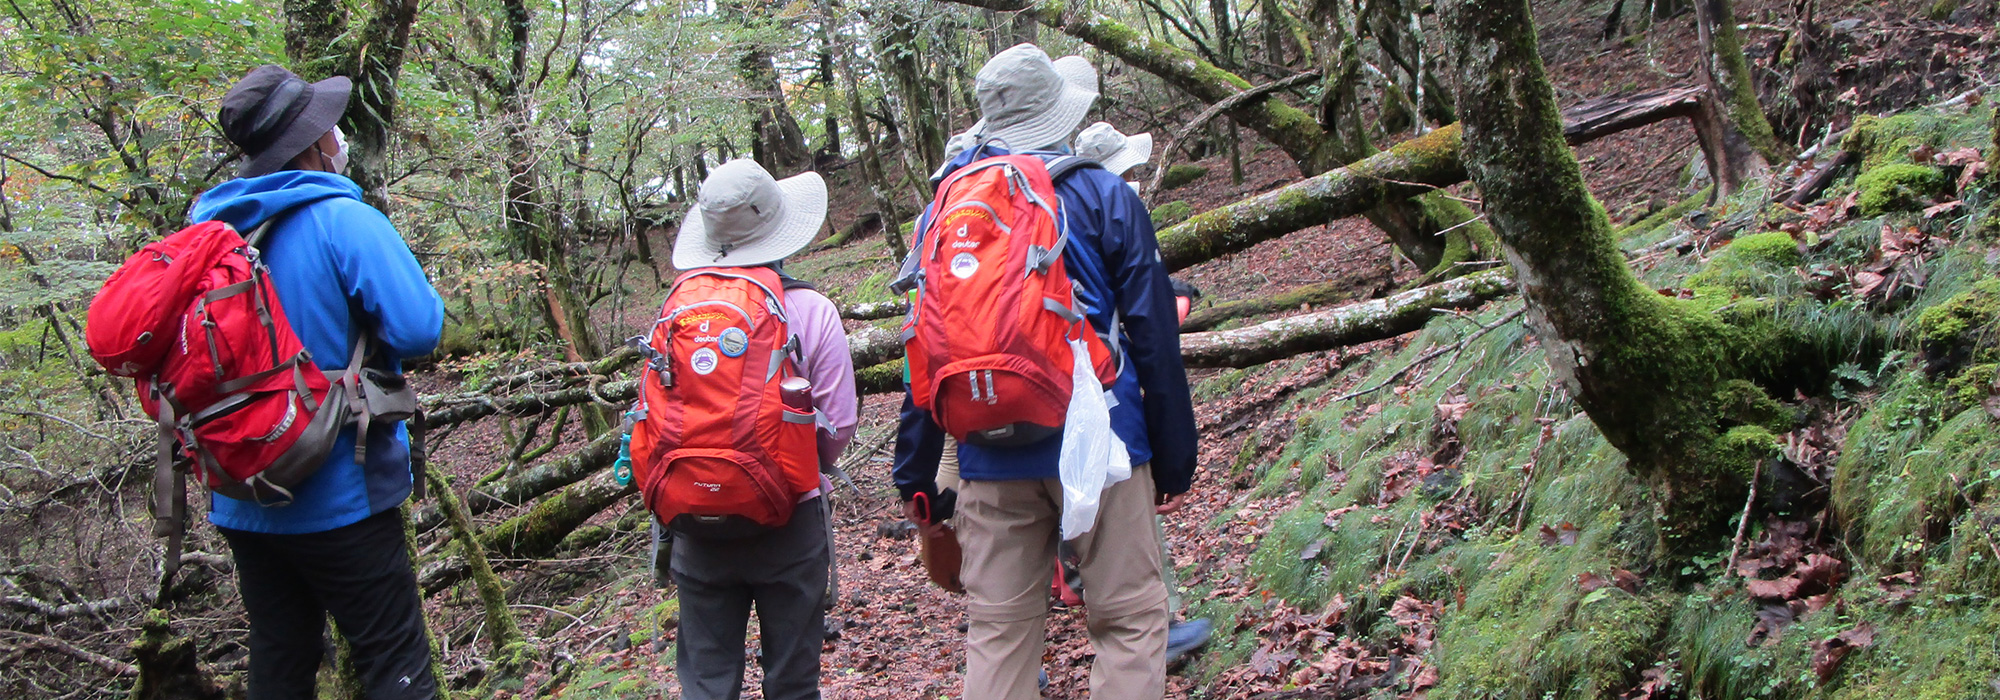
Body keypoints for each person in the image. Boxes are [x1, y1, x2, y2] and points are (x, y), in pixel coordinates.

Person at [893, 44, 1199, 700]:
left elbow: (923, 347)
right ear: (1057, 113)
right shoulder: (1102, 195)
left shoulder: (942, 212)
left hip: (985, 452)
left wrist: (917, 476)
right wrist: (1175, 458)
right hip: (1104, 449)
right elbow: (1154, 334)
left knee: (1000, 634)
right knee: (1129, 620)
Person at [189, 64, 444, 699]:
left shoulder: (208, 233)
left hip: (241, 492)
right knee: (394, 662)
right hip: (341, 486)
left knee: (281, 658)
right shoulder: (341, 220)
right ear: (311, 144)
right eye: (329, 129)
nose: (339, 138)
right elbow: (418, 329)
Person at [664, 159, 858, 700]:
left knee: (706, 682)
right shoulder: (812, 310)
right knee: (792, 681)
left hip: (695, 519)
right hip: (789, 519)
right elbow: (837, 422)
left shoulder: (680, 311)